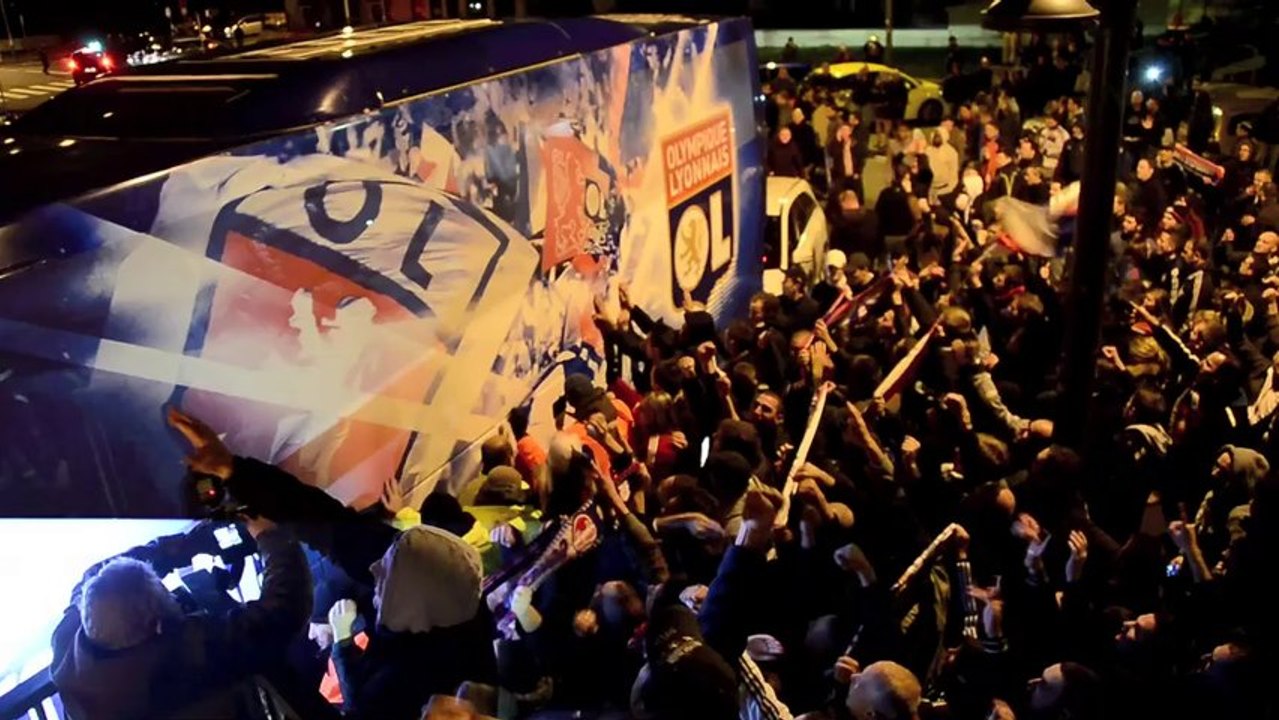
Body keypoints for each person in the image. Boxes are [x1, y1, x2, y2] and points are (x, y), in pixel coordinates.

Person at [50, 409, 313, 720]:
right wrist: (271, 537)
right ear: (158, 626)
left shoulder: (69, 645)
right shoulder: (186, 656)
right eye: (167, 597)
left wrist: (184, 546)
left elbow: (93, 577)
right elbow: (283, 610)